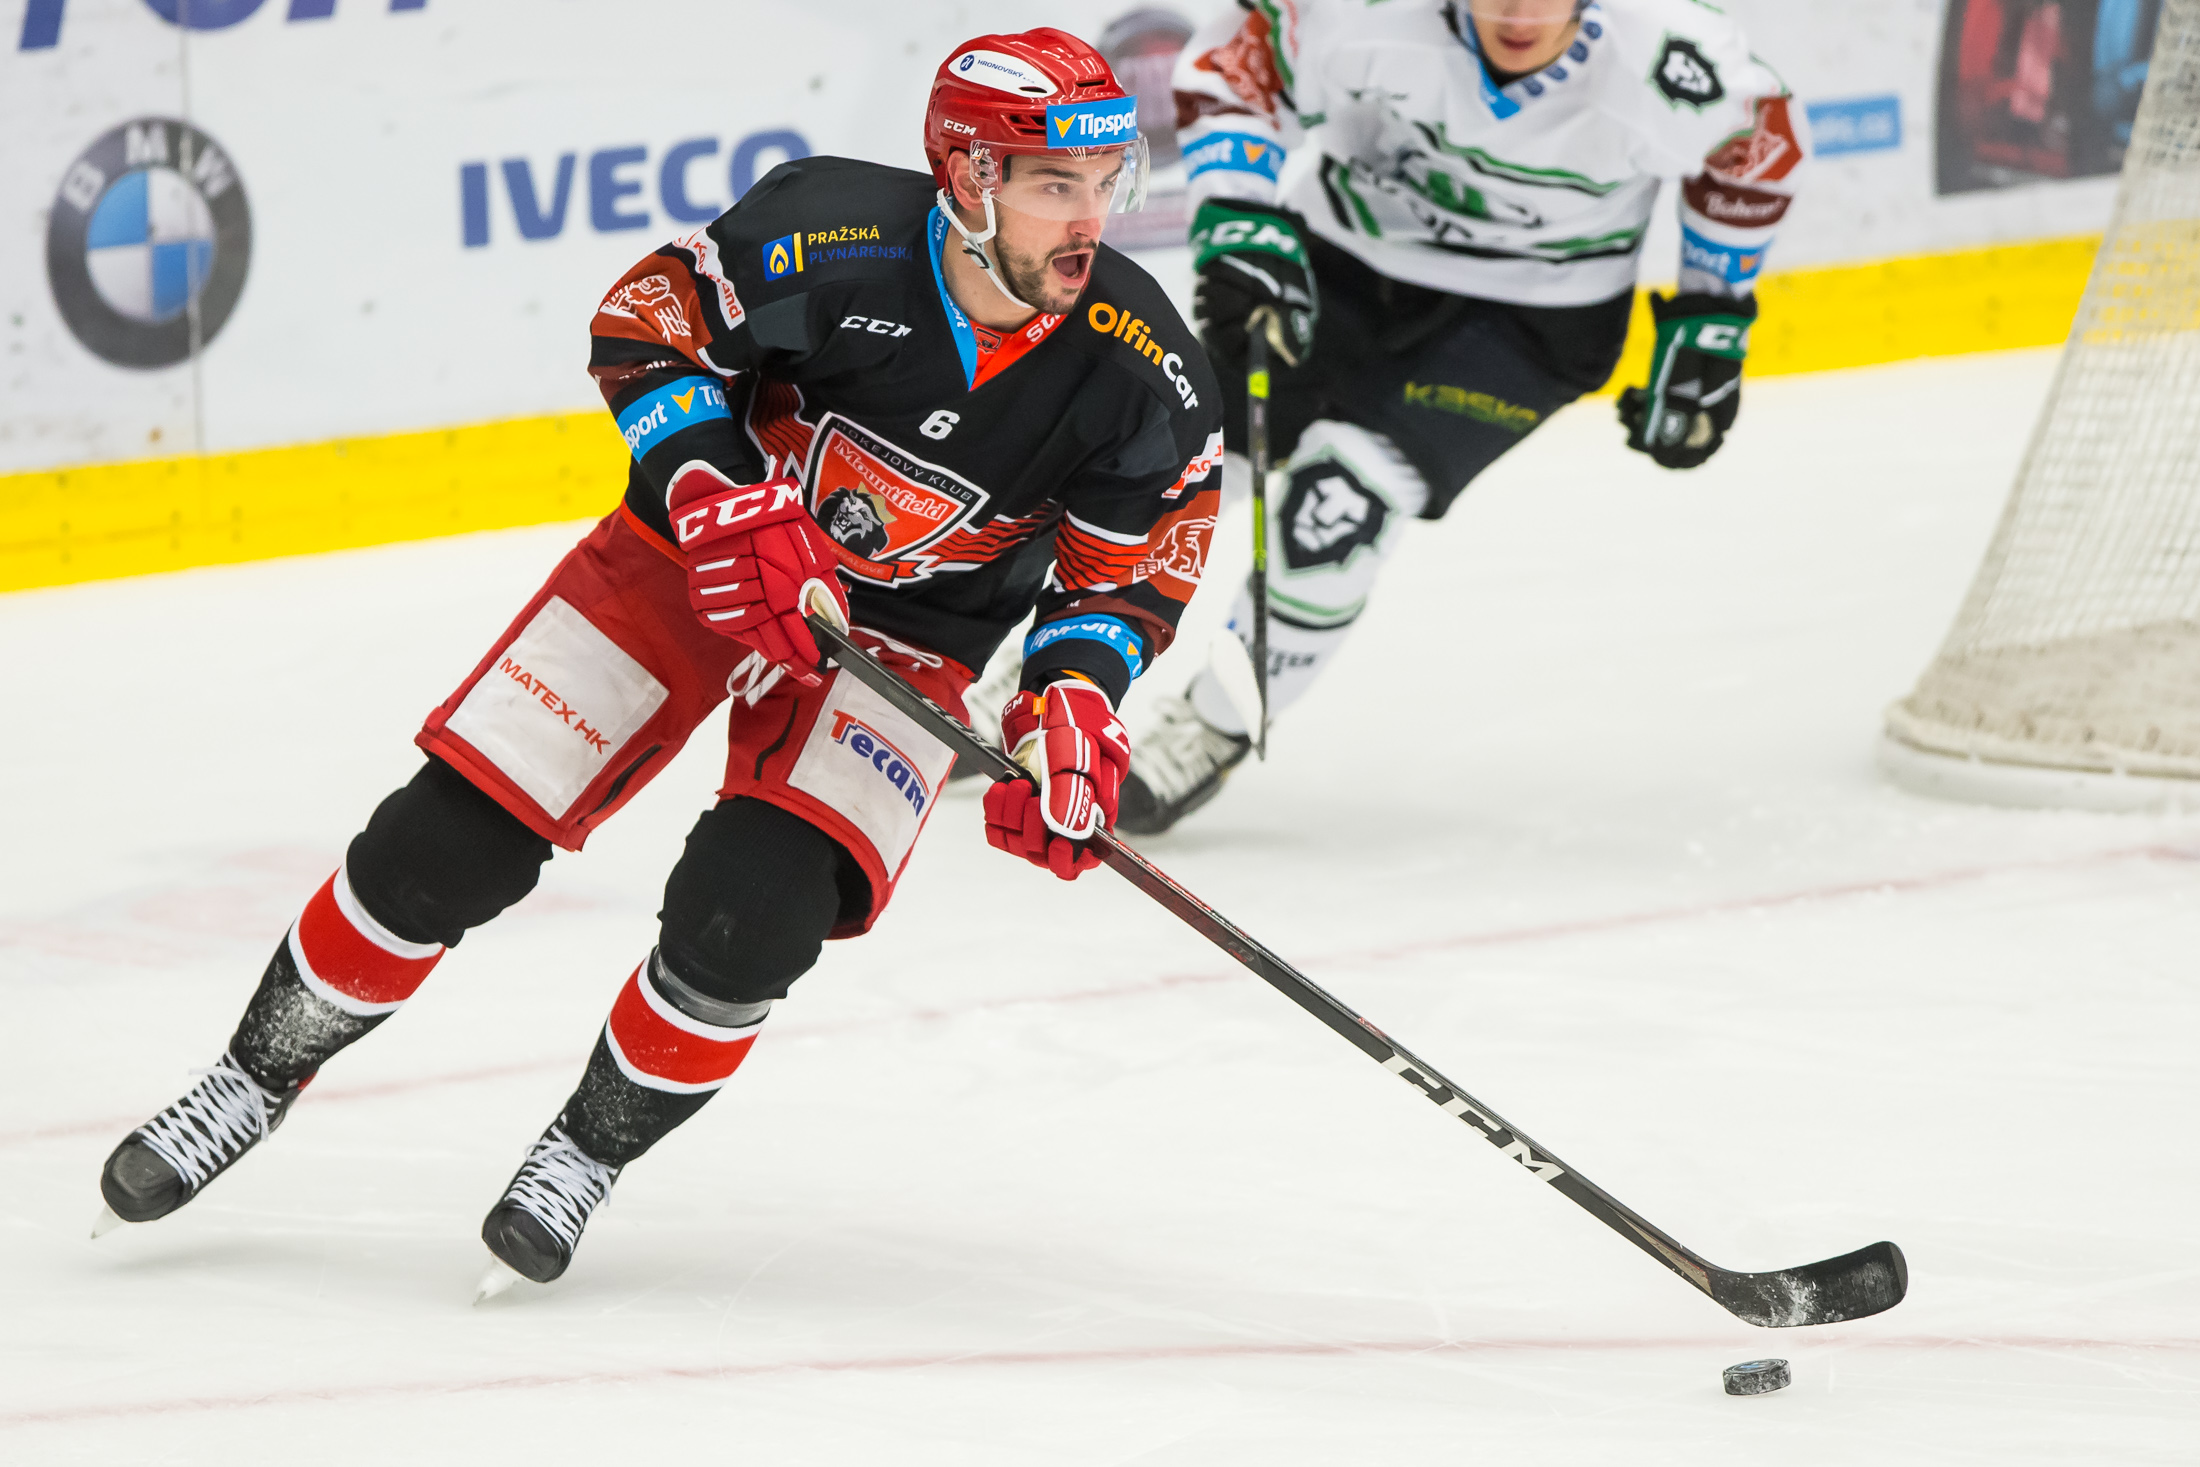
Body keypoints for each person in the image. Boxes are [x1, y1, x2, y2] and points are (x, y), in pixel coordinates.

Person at [93, 29, 1224, 1291]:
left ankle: (584, 1153)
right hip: (699, 561)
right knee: (446, 844)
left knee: (754, 920)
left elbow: (1122, 578)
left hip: (906, 645)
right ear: (966, 176)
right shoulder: (828, 234)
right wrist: (716, 493)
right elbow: (646, 325)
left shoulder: (1145, 371)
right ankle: (249, 1079)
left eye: (1107, 181)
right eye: (1055, 184)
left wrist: (1072, 702)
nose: (1090, 219)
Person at [1114, 0, 1806, 832]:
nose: (1516, 11)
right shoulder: (1364, 13)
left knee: (1338, 505)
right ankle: (1066, 664)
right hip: (1342, 261)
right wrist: (1241, 214)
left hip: (1532, 322)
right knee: (1175, 458)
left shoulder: (1671, 59)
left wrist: (1712, 317)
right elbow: (1240, 58)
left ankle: (1214, 726)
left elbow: (1758, 146)